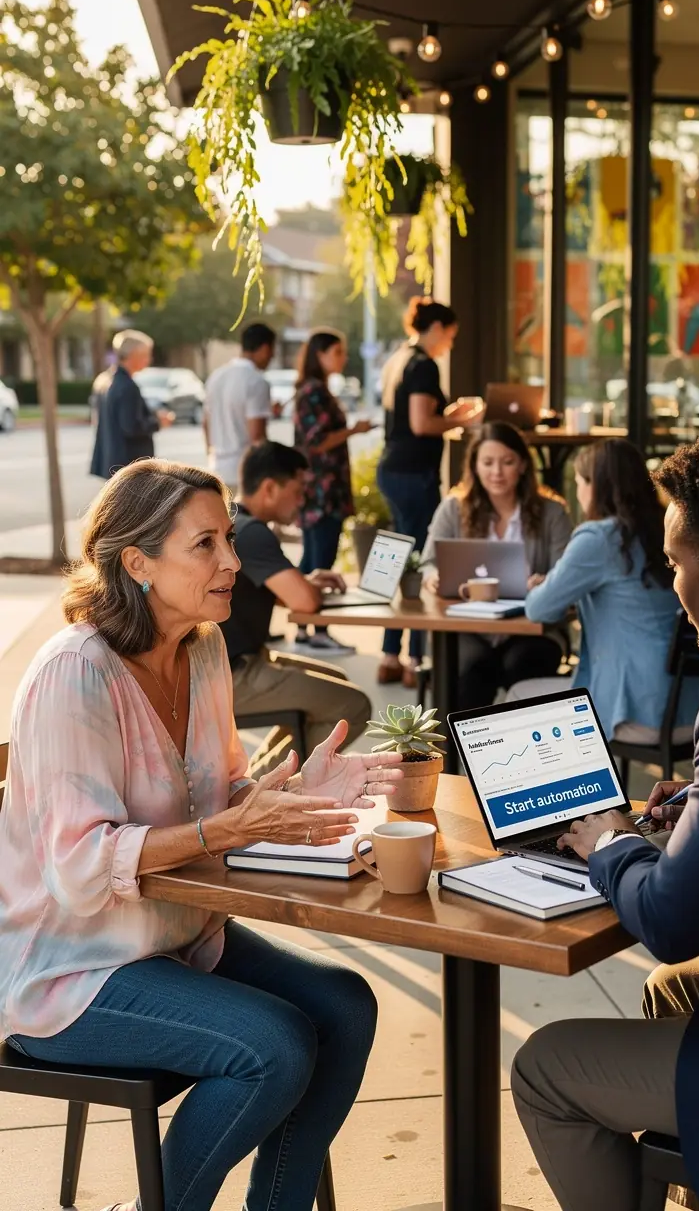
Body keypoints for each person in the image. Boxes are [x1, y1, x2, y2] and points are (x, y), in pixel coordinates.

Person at [0, 458, 405, 1211]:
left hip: (173, 938)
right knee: (275, 1045)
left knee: (345, 1006)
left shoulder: (204, 647)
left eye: (229, 538)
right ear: (138, 564)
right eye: (206, 545)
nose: (232, 562)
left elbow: (219, 794)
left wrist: (291, 794)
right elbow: (77, 869)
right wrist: (227, 824)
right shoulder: (75, 675)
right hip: (68, 970)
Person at [511, 428, 699, 1211]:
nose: (671, 584)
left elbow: (675, 918)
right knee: (672, 993)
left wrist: (608, 839)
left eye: (676, 565)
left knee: (545, 1068)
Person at [513, 438, 699, 742]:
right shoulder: (662, 529)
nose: (578, 493)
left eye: (579, 483)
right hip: (696, 708)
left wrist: (546, 583)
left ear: (594, 486)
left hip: (640, 711)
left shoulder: (599, 537)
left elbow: (538, 609)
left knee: (517, 694)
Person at [222, 440, 372, 778]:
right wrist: (307, 587)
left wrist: (305, 581)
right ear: (270, 488)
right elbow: (304, 602)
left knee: (335, 682)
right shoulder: (253, 532)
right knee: (353, 706)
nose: (303, 500)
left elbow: (278, 590)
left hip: (235, 662)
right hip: (231, 674)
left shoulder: (235, 523)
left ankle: (258, 780)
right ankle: (260, 793)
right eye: (299, 489)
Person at [421, 421, 573, 707]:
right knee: (469, 672)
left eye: (507, 462)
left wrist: (546, 583)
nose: (497, 472)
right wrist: (433, 577)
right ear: (474, 466)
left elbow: (566, 574)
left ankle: (528, 750)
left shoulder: (553, 512)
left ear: (524, 465)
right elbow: (428, 562)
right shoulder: (453, 508)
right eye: (488, 462)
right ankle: (460, 752)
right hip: (468, 627)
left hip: (534, 626)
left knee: (523, 666)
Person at [376, 298, 481, 687]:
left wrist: (450, 416)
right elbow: (421, 424)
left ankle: (390, 654)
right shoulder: (423, 364)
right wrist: (463, 419)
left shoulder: (397, 359)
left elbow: (410, 418)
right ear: (436, 327)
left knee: (400, 561)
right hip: (413, 473)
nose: (448, 345)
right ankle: (415, 660)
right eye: (449, 336)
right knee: (419, 563)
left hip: (393, 469)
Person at [293, 327, 373, 656]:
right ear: (321, 354)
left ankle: (304, 626)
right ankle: (317, 629)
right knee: (321, 558)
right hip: (323, 490)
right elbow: (317, 442)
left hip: (321, 488)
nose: (344, 358)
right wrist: (353, 430)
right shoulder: (314, 391)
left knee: (313, 556)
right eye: (338, 352)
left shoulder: (315, 389)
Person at [90, 330, 173, 479]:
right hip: (129, 467)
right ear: (134, 354)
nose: (149, 359)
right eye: (146, 354)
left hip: (113, 463)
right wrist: (158, 422)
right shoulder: (126, 386)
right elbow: (131, 426)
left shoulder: (106, 381)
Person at [204, 322, 275, 492]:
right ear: (265, 348)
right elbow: (257, 436)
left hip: (217, 468)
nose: (272, 357)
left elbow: (206, 423)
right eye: (272, 351)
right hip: (245, 473)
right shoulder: (256, 381)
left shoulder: (216, 376)